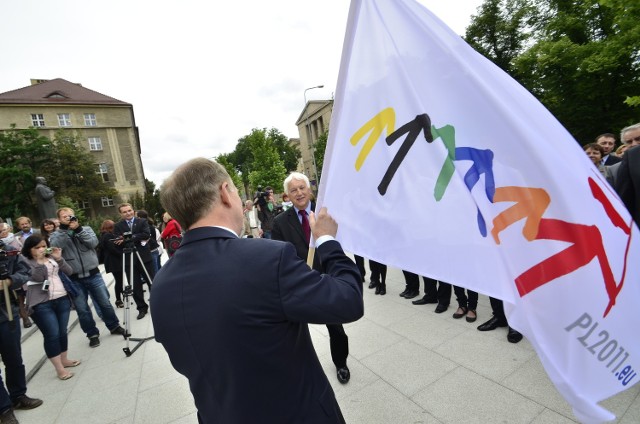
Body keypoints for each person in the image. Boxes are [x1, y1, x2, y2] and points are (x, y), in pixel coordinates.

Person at [151, 158, 363, 423]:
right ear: (225, 193)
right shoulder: (267, 258)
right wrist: (328, 241)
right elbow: (348, 300)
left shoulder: (160, 285)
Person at [272, 171, 354, 384]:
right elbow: (279, 253)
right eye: (293, 190)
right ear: (287, 196)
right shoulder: (280, 222)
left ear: (309, 189)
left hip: (326, 279)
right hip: (298, 282)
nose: (299, 193)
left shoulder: (324, 214)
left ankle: (341, 363)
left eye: (302, 188)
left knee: (336, 327)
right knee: (295, 330)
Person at [49, 208, 127, 347]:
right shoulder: (56, 234)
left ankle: (114, 326)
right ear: (59, 220)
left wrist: (78, 230)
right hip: (74, 278)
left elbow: (93, 243)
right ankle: (92, 334)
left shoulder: (86, 229)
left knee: (105, 303)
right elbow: (56, 246)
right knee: (82, 309)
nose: (68, 218)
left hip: (93, 274)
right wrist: (64, 230)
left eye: (70, 215)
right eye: (64, 216)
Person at [21, 235, 81, 380]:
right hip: (41, 302)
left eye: (43, 246)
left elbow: (69, 271)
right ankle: (59, 369)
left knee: (62, 332)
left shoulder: (51, 258)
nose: (41, 249)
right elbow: (37, 278)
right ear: (30, 249)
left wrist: (59, 258)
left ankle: (64, 359)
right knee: (51, 335)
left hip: (61, 298)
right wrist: (40, 261)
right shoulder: (25, 261)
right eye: (37, 247)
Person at [0, 239, 43, 423]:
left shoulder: (7, 251)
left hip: (6, 312)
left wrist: (9, 281)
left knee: (14, 358)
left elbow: (25, 272)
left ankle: (18, 396)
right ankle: (3, 408)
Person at [113, 203, 155, 320]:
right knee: (135, 285)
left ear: (133, 210)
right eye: (125, 212)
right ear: (121, 214)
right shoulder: (117, 226)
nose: (128, 213)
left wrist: (128, 237)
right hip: (129, 259)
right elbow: (117, 242)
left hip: (144, 257)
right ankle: (142, 308)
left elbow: (146, 234)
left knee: (152, 281)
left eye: (129, 210)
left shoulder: (141, 222)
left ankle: (157, 304)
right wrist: (134, 237)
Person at [616, 123, 640, 226]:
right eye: (629, 141)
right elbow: (625, 196)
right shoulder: (630, 158)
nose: (634, 144)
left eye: (638, 139)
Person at [99, 220, 124, 308]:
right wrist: (123, 254)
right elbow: (112, 249)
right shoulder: (108, 235)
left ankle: (122, 297)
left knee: (119, 280)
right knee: (119, 281)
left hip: (112, 261)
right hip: (114, 261)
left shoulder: (103, 235)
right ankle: (118, 299)